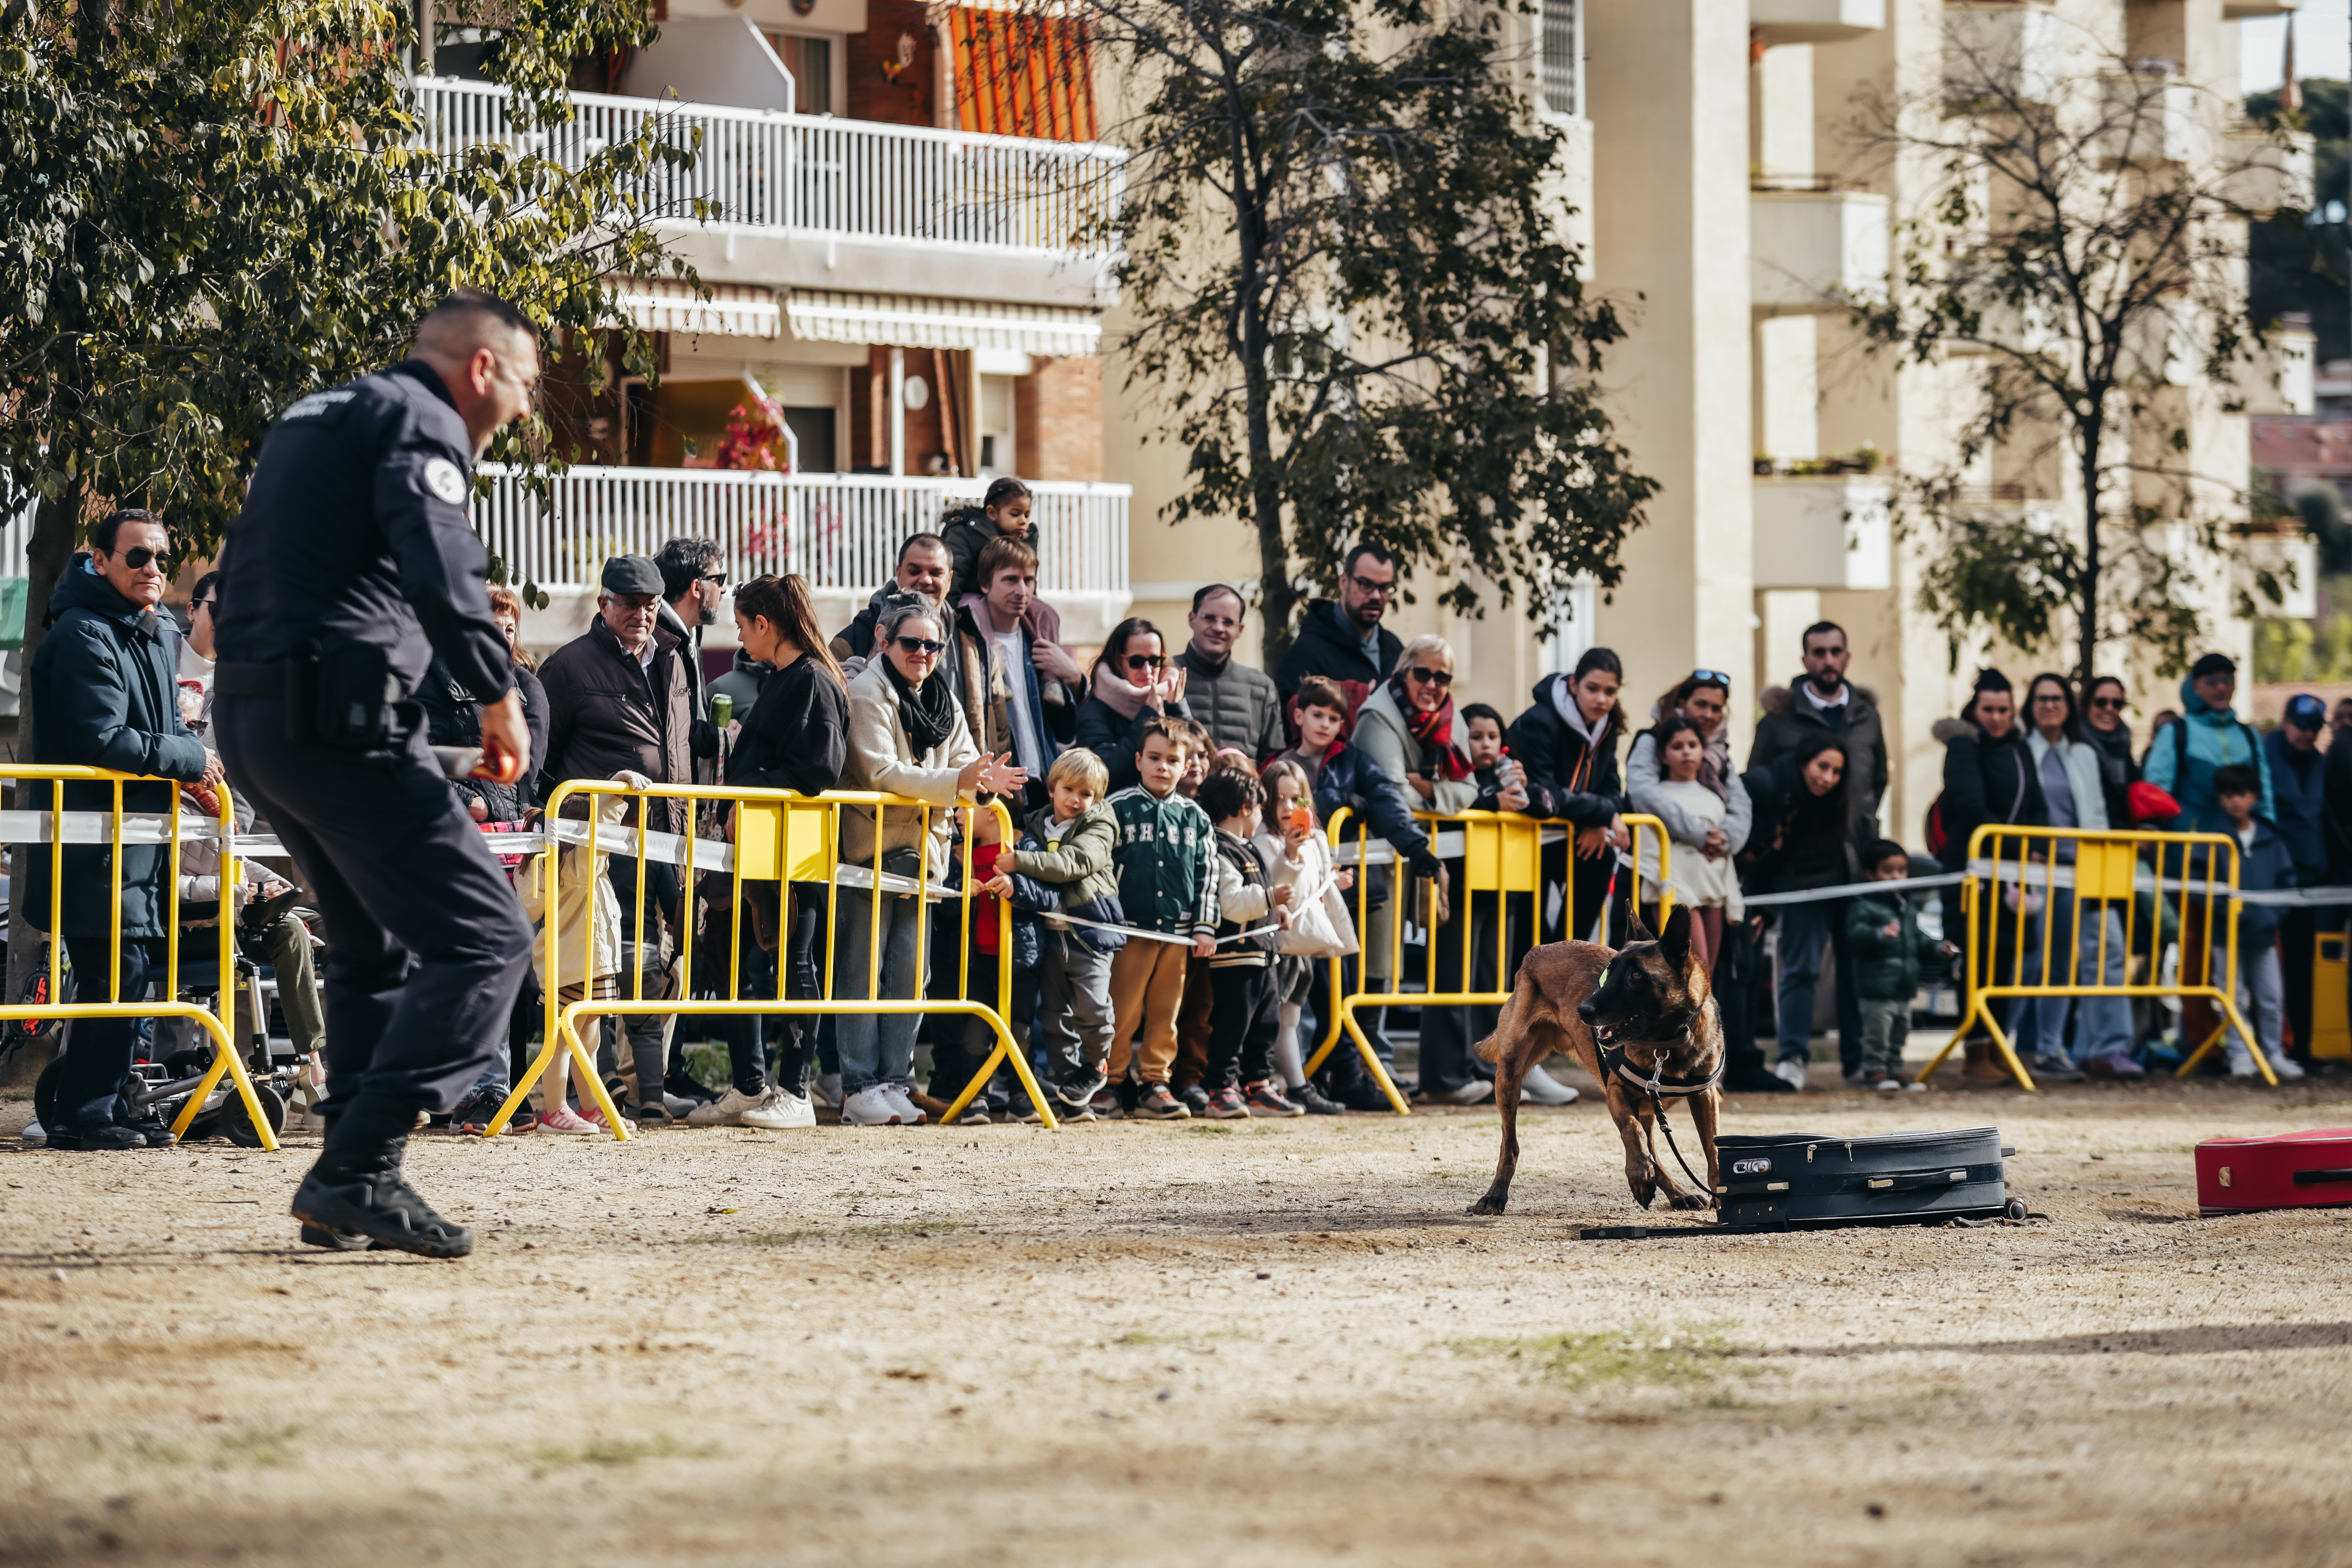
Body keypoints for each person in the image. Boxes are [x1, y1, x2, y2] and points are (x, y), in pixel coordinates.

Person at [212, 290, 540, 1254]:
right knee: (486, 939)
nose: (522, 409)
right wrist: (494, 690)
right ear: (481, 369)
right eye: (522, 383)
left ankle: (345, 1191)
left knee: (369, 947)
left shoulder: (320, 412)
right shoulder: (420, 418)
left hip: (261, 714)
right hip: (338, 716)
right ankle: (357, 1164)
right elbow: (439, 557)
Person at [27, 509, 222, 1150]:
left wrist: (185, 765)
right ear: (101, 560)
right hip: (92, 848)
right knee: (117, 974)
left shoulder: (148, 630)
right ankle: (87, 1112)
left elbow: (156, 733)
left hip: (136, 847)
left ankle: (104, 1105)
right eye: (137, 557)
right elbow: (103, 740)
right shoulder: (85, 634)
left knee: (129, 975)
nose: (153, 570)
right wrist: (192, 759)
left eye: (160, 559)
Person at [537, 555, 713, 1127]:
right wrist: (588, 805)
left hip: (669, 834)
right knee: (595, 975)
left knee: (658, 967)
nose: (642, 613)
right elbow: (541, 771)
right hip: (600, 840)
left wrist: (693, 821)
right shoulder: (567, 668)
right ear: (603, 604)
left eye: (650, 604)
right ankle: (585, 1097)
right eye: (630, 603)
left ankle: (641, 1091)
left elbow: (677, 748)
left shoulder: (674, 658)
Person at [837, 601, 1025, 1125]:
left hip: (927, 856)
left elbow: (968, 762)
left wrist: (982, 787)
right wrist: (962, 785)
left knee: (909, 975)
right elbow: (880, 773)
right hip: (868, 853)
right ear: (884, 640)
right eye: (911, 643)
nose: (923, 654)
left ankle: (896, 1080)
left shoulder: (941, 696)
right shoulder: (866, 693)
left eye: (932, 645)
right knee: (862, 971)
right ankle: (858, 1086)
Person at [693, 573, 848, 1131]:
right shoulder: (786, 677)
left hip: (796, 846)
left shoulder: (812, 680)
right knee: (739, 959)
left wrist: (754, 788)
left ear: (765, 624)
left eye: (741, 625)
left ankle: (795, 1091)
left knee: (792, 961)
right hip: (761, 845)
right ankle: (751, 1084)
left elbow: (819, 769)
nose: (738, 636)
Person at [1270, 676, 1443, 1105]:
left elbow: (1387, 800)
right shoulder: (1276, 766)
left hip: (1340, 893)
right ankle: (1311, 1076)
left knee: (1342, 990)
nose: (1326, 724)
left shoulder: (1354, 760)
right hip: (1289, 894)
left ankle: (1343, 1073)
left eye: (1334, 717)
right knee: (1295, 993)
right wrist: (1340, 803)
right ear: (1298, 716)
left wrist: (1418, 849)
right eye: (1318, 715)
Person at [2142, 653, 2270, 1057]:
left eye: (2227, 679)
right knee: (2195, 951)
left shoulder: (2249, 736)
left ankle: (2260, 1043)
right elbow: (2155, 792)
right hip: (2191, 864)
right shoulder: (2178, 733)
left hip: (2243, 865)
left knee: (2253, 949)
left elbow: (2265, 800)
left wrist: (2266, 850)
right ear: (2195, 685)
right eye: (2212, 680)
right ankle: (2201, 1042)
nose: (2221, 687)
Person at [2020, 673, 2140, 1081]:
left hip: (2087, 867)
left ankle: (2103, 1048)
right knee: (2041, 962)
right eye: (2041, 698)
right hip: (2041, 872)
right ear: (2030, 704)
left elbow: (2099, 815)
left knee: (2106, 951)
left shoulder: (2083, 754)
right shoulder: (2021, 751)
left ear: (2069, 706)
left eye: (2057, 698)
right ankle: (2031, 1047)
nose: (2049, 705)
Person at [996, 748, 1126, 1121]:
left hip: (1090, 933)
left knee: (1093, 1007)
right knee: (1054, 1015)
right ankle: (1071, 1088)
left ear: (1097, 798)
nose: (1077, 800)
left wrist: (1019, 861)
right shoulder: (1035, 823)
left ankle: (1097, 1064)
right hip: (1049, 936)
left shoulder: (1101, 823)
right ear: (1052, 788)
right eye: (1069, 789)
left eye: (1087, 794)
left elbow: (1075, 863)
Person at [1933, 670, 2046, 1085]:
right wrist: (2017, 845)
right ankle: (1976, 1050)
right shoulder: (1964, 745)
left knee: (2005, 960)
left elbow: (2035, 801)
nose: (1997, 718)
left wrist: (2036, 844)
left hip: (2014, 875)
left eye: (2004, 709)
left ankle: (2000, 1045)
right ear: (1974, 709)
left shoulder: (2019, 747)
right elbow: (1968, 804)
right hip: (1974, 872)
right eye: (1989, 709)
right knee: (1977, 960)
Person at [1104, 717, 1219, 1119]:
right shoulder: (1116, 808)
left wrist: (1205, 926)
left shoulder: (1197, 818)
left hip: (1179, 935)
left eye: (1173, 759)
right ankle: (1112, 1081)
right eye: (1154, 757)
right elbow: (1101, 867)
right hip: (1127, 932)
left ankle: (1156, 1080)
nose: (1162, 766)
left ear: (1187, 765)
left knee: (1166, 1014)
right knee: (1122, 1011)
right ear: (1138, 760)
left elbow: (1208, 876)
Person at [1739, 732, 1855, 1090]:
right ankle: (1790, 1057)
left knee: (1850, 976)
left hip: (1837, 883)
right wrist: (1766, 906)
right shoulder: (1766, 785)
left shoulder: (1828, 803)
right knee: (1797, 970)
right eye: (1823, 767)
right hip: (1762, 887)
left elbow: (1779, 856)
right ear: (1804, 761)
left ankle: (1864, 1064)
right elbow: (1766, 855)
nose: (1828, 778)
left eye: (1837, 771)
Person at [1196, 767, 1301, 1118]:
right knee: (1232, 1024)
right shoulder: (1220, 848)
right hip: (1235, 957)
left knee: (1266, 1023)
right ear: (1244, 806)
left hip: (1264, 954)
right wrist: (1271, 897)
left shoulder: (1248, 848)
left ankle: (1259, 1085)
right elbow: (1232, 903)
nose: (1261, 815)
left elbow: (1257, 899)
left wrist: (1277, 912)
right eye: (1260, 808)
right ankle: (1220, 1088)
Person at [1508, 648, 1630, 946]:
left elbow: (1614, 791)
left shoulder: (1607, 726)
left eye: (1610, 692)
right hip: (1524, 834)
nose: (1602, 699)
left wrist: (1599, 822)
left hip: (1571, 835)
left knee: (1601, 859)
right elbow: (1545, 793)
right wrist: (1602, 814)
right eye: (1593, 689)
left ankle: (1568, 958)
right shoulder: (1541, 721)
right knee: (1529, 934)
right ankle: (1543, 971)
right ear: (1574, 685)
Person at [1256, 759, 1355, 1114]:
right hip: (1278, 943)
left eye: (1295, 799)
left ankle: (1294, 1085)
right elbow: (1276, 888)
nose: (1287, 808)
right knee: (1274, 1018)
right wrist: (1291, 853)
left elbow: (1315, 885)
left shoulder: (1316, 839)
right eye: (1278, 799)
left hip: (1303, 943)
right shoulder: (1264, 839)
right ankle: (1283, 1084)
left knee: (1290, 1018)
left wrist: (1335, 881)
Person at [1750, 621, 1888, 862]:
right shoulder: (1778, 720)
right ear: (1805, 660)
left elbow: (1879, 779)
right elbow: (1758, 783)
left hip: (1857, 848)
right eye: (1819, 652)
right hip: (1795, 857)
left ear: (1847, 657)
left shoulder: (1867, 717)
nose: (1829, 661)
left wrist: (1863, 818)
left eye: (1836, 652)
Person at [957, 534, 1081, 800]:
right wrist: (988, 671)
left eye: (1029, 581)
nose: (1022, 591)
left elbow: (1071, 725)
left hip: (1044, 783)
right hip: (995, 789)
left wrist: (1074, 676)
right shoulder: (968, 645)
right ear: (985, 584)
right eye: (1011, 580)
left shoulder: (1040, 642)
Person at [2212, 764, 2305, 1081]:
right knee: (2232, 997)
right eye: (2228, 795)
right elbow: (2200, 882)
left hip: (2264, 934)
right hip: (2225, 935)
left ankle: (2273, 1052)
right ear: (2220, 799)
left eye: (2241, 794)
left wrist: (2272, 915)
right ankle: (2238, 1053)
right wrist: (2220, 912)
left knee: (2271, 997)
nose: (2235, 801)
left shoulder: (2271, 838)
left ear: (2254, 796)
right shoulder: (2212, 839)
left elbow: (2287, 881)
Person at [1633, 715, 1746, 975]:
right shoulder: (1656, 799)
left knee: (1706, 982)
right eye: (1677, 746)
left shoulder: (1715, 801)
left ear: (1703, 751)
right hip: (1676, 898)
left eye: (1693, 745)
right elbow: (1650, 858)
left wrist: (1734, 902)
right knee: (1691, 975)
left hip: (1714, 897)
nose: (1686, 752)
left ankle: (1702, 1019)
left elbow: (1724, 862)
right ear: (1662, 755)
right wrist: (1674, 892)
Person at [1842, 840, 1949, 1091]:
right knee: (1878, 1033)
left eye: (1901, 871)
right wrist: (1879, 934)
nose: (1896, 877)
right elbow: (1855, 936)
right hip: (1876, 987)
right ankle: (1875, 1070)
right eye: (1888, 871)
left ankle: (1895, 1068)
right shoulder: (1863, 905)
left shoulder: (1906, 905)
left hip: (1903, 986)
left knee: (1900, 1032)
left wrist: (1937, 947)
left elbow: (1917, 937)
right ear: (1871, 875)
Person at [2263, 692, 2329, 1062]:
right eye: (2302, 725)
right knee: (2270, 969)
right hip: (2271, 881)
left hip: (2310, 879)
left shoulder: (2319, 763)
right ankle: (2272, 1047)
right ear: (2286, 721)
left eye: (2316, 727)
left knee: (2302, 965)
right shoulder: (2265, 757)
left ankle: (2301, 1046)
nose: (2308, 733)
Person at [1074, 616, 1197, 794]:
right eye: (1136, 662)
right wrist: (1148, 717)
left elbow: (1193, 758)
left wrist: (1177, 706)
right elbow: (1107, 771)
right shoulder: (1094, 711)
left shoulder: (1171, 697)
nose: (1147, 671)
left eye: (1155, 661)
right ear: (1118, 662)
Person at [1274, 543, 1404, 699]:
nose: (1376, 596)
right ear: (1344, 582)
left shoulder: (1395, 650)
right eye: (1366, 585)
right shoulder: (1307, 654)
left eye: (1385, 588)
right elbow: (1289, 720)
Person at [1174, 584, 1285, 762]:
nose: (1218, 628)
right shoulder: (1166, 676)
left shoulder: (1261, 688)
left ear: (1240, 630)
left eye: (1228, 622)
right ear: (1192, 619)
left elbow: (1273, 761)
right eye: (1209, 618)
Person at [833, 534, 956, 665]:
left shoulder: (969, 637)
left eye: (936, 573)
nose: (926, 580)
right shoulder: (851, 641)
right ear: (899, 573)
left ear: (949, 580)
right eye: (915, 571)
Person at [653, 536, 728, 736]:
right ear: (696, 588)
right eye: (719, 580)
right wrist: (722, 737)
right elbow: (676, 731)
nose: (724, 590)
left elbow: (695, 716)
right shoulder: (655, 645)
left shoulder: (692, 630)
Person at [943, 476, 1039, 602]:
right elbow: (954, 576)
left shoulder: (1025, 539)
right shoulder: (965, 533)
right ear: (992, 513)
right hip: (972, 605)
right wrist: (952, 614)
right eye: (1015, 514)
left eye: (1027, 515)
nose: (1023, 521)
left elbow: (1028, 581)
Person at [2079, 675, 2138, 832]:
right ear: (2087, 705)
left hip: (2123, 839)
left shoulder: (2123, 744)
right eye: (2101, 702)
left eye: (2117, 704)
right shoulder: (2074, 744)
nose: (2109, 708)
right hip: (2088, 837)